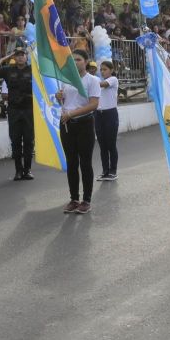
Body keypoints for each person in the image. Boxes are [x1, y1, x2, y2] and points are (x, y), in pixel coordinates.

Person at [55, 49, 100, 215]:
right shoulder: (66, 80)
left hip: (84, 124)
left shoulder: (93, 80)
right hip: (67, 124)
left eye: (79, 59)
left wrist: (72, 114)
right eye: (72, 59)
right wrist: (58, 96)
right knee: (71, 162)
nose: (75, 62)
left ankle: (86, 200)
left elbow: (93, 104)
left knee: (85, 162)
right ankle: (74, 199)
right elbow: (64, 101)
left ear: (86, 61)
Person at [0, 47, 35, 181]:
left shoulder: (33, 69)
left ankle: (28, 170)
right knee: (15, 141)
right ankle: (18, 171)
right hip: (14, 110)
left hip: (29, 110)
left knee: (29, 141)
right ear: (14, 57)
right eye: (17, 55)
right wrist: (4, 59)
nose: (20, 57)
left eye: (22, 55)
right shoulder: (8, 70)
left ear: (26, 56)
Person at [95, 61, 119, 181]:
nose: (102, 71)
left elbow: (102, 84)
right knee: (102, 145)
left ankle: (113, 171)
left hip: (110, 114)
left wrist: (91, 82)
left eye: (105, 69)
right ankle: (105, 171)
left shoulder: (113, 79)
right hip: (98, 115)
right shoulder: (98, 83)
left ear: (111, 70)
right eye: (101, 69)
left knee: (111, 144)